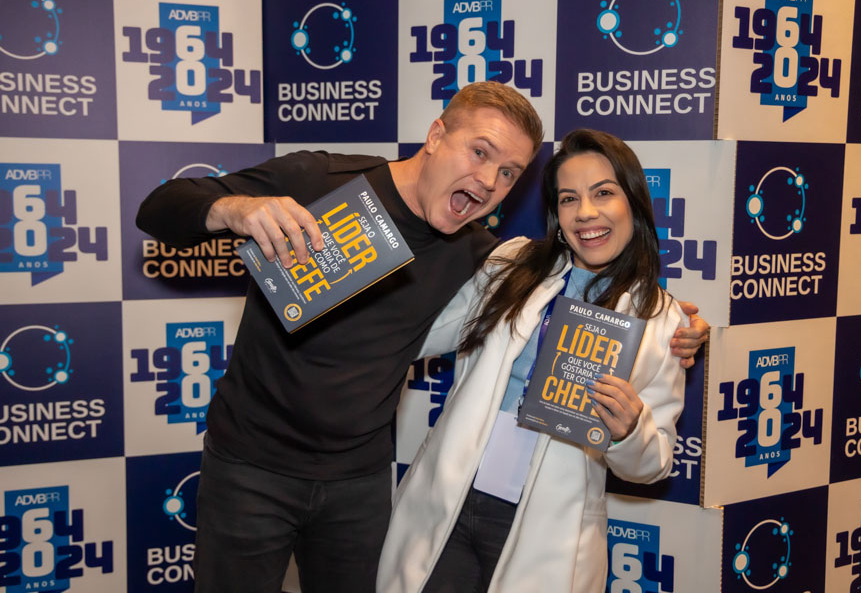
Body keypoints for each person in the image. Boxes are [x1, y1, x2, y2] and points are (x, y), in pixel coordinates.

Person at [136, 82, 707, 593]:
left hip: (358, 483)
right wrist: (235, 209)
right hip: (251, 467)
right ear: (436, 135)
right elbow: (159, 209)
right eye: (479, 152)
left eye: (509, 173)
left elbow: (580, 298)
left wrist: (670, 324)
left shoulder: (479, 254)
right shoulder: (322, 180)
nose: (489, 180)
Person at [378, 129, 690, 593]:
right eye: (569, 199)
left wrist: (629, 430)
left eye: (604, 193)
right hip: (448, 505)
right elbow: (421, 331)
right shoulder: (511, 264)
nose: (586, 213)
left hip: (545, 534)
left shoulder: (663, 321)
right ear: (556, 214)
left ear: (634, 203)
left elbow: (652, 465)